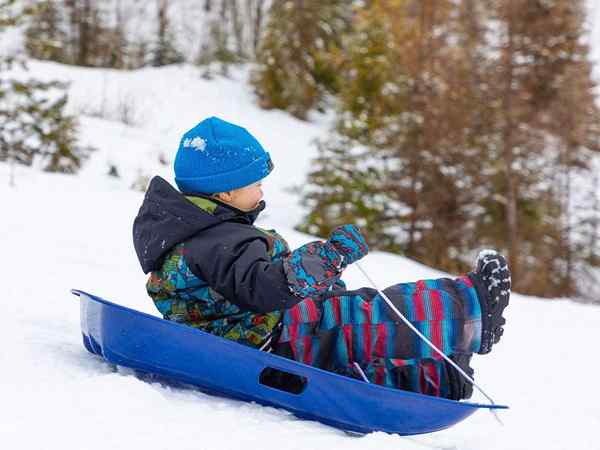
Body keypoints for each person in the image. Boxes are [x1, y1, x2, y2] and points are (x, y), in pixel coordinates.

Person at [133, 116, 511, 400]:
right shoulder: (215, 240)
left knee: (346, 352)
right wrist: (328, 257)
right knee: (361, 318)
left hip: (257, 332)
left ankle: (439, 379)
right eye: (256, 182)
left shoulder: (199, 235)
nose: (263, 188)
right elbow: (263, 288)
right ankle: (470, 310)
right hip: (266, 338)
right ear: (227, 192)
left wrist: (321, 273)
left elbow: (249, 281)